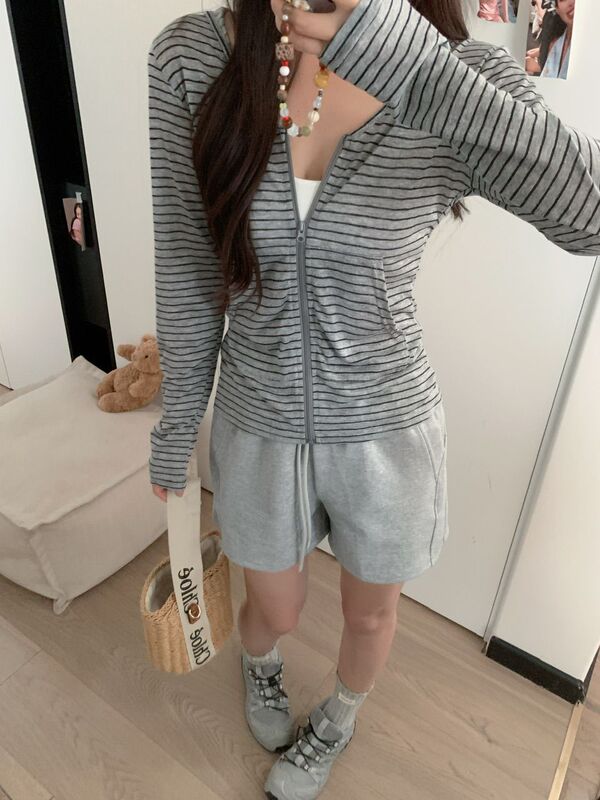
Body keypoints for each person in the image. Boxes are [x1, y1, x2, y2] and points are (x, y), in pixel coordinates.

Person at [147, 0, 600, 797]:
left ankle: (338, 720)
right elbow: (189, 266)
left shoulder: (456, 73)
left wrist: (410, 62)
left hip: (386, 430)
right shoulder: (192, 60)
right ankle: (261, 668)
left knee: (368, 616)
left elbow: (591, 212)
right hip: (258, 418)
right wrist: (178, 421)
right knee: (274, 610)